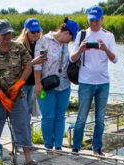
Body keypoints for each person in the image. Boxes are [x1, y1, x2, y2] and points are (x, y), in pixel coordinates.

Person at [0, 19, 38, 165]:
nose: (7, 36)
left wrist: (19, 84)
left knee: (23, 125)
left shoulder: (19, 48)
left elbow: (28, 66)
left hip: (17, 95)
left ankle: (28, 159)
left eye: (9, 33)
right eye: (3, 34)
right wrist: (2, 96)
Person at [70, 5, 118, 155]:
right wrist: (80, 49)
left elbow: (115, 59)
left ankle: (97, 147)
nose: (94, 23)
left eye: (97, 20)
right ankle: (76, 147)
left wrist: (105, 49)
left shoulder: (108, 36)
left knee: (100, 118)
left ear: (102, 19)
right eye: (91, 20)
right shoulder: (82, 34)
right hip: (85, 82)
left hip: (103, 82)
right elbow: (72, 58)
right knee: (82, 116)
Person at [34, 17, 79, 150]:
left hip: (64, 86)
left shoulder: (65, 45)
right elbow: (37, 65)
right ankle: (48, 145)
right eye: (71, 38)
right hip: (46, 86)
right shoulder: (44, 41)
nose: (70, 41)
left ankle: (58, 146)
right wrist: (37, 84)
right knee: (48, 116)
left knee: (60, 116)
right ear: (67, 32)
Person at [15, 18, 45, 117]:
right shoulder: (19, 45)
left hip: (33, 84)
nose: (36, 34)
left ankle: (27, 132)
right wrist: (33, 62)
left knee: (29, 111)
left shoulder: (40, 44)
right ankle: (19, 132)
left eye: (38, 31)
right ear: (26, 32)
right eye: (33, 32)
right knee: (21, 112)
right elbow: (15, 66)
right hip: (22, 83)